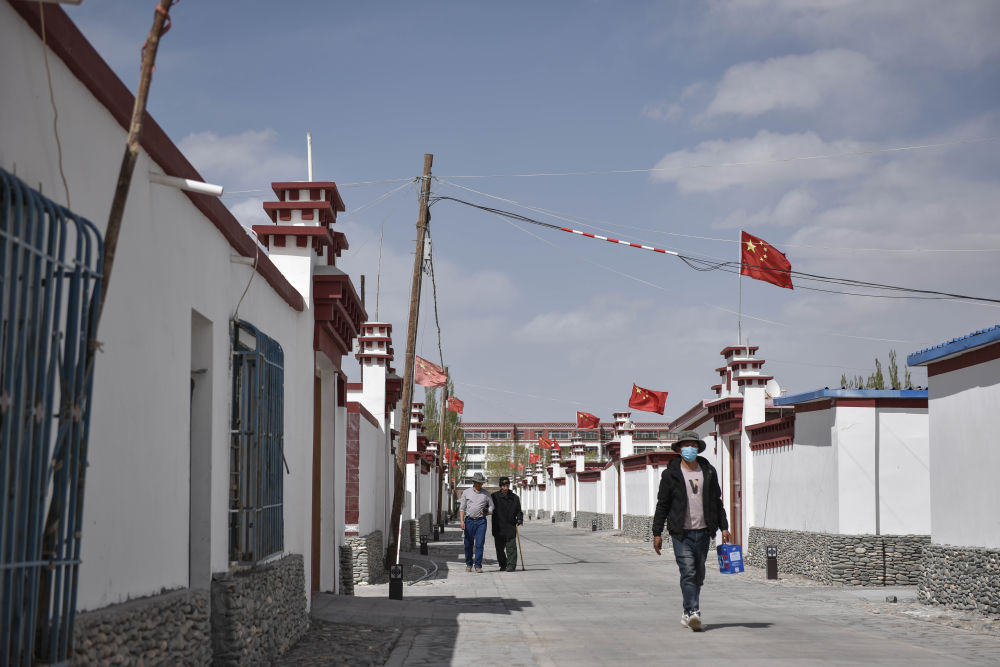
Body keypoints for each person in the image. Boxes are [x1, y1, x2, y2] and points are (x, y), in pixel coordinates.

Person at [651, 431, 731, 632]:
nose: (690, 449)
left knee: (699, 575)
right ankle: (694, 611)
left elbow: (716, 501)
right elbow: (663, 504)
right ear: (679, 449)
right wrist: (657, 532)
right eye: (686, 445)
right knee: (688, 572)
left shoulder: (708, 471)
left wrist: (724, 526)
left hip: (703, 532)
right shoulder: (670, 474)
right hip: (681, 533)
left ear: (698, 449)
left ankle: (687, 611)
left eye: (693, 445)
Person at [459, 472, 494, 573]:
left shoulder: (486, 494)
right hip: (469, 521)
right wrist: (462, 521)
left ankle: (478, 565)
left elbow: (492, 506)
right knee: (468, 544)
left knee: (479, 544)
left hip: (481, 522)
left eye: (480, 483)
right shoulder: (466, 492)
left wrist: (487, 512)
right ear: (473, 482)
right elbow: (462, 508)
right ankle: (469, 564)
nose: (479, 484)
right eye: (477, 482)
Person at [490, 476, 524, 572]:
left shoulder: (515, 498)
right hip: (498, 526)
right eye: (503, 486)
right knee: (499, 549)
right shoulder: (494, 497)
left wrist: (520, 519)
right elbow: (488, 507)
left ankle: (511, 565)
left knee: (511, 547)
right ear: (500, 486)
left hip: (510, 526)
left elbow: (519, 511)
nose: (505, 487)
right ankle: (503, 564)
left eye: (507, 485)